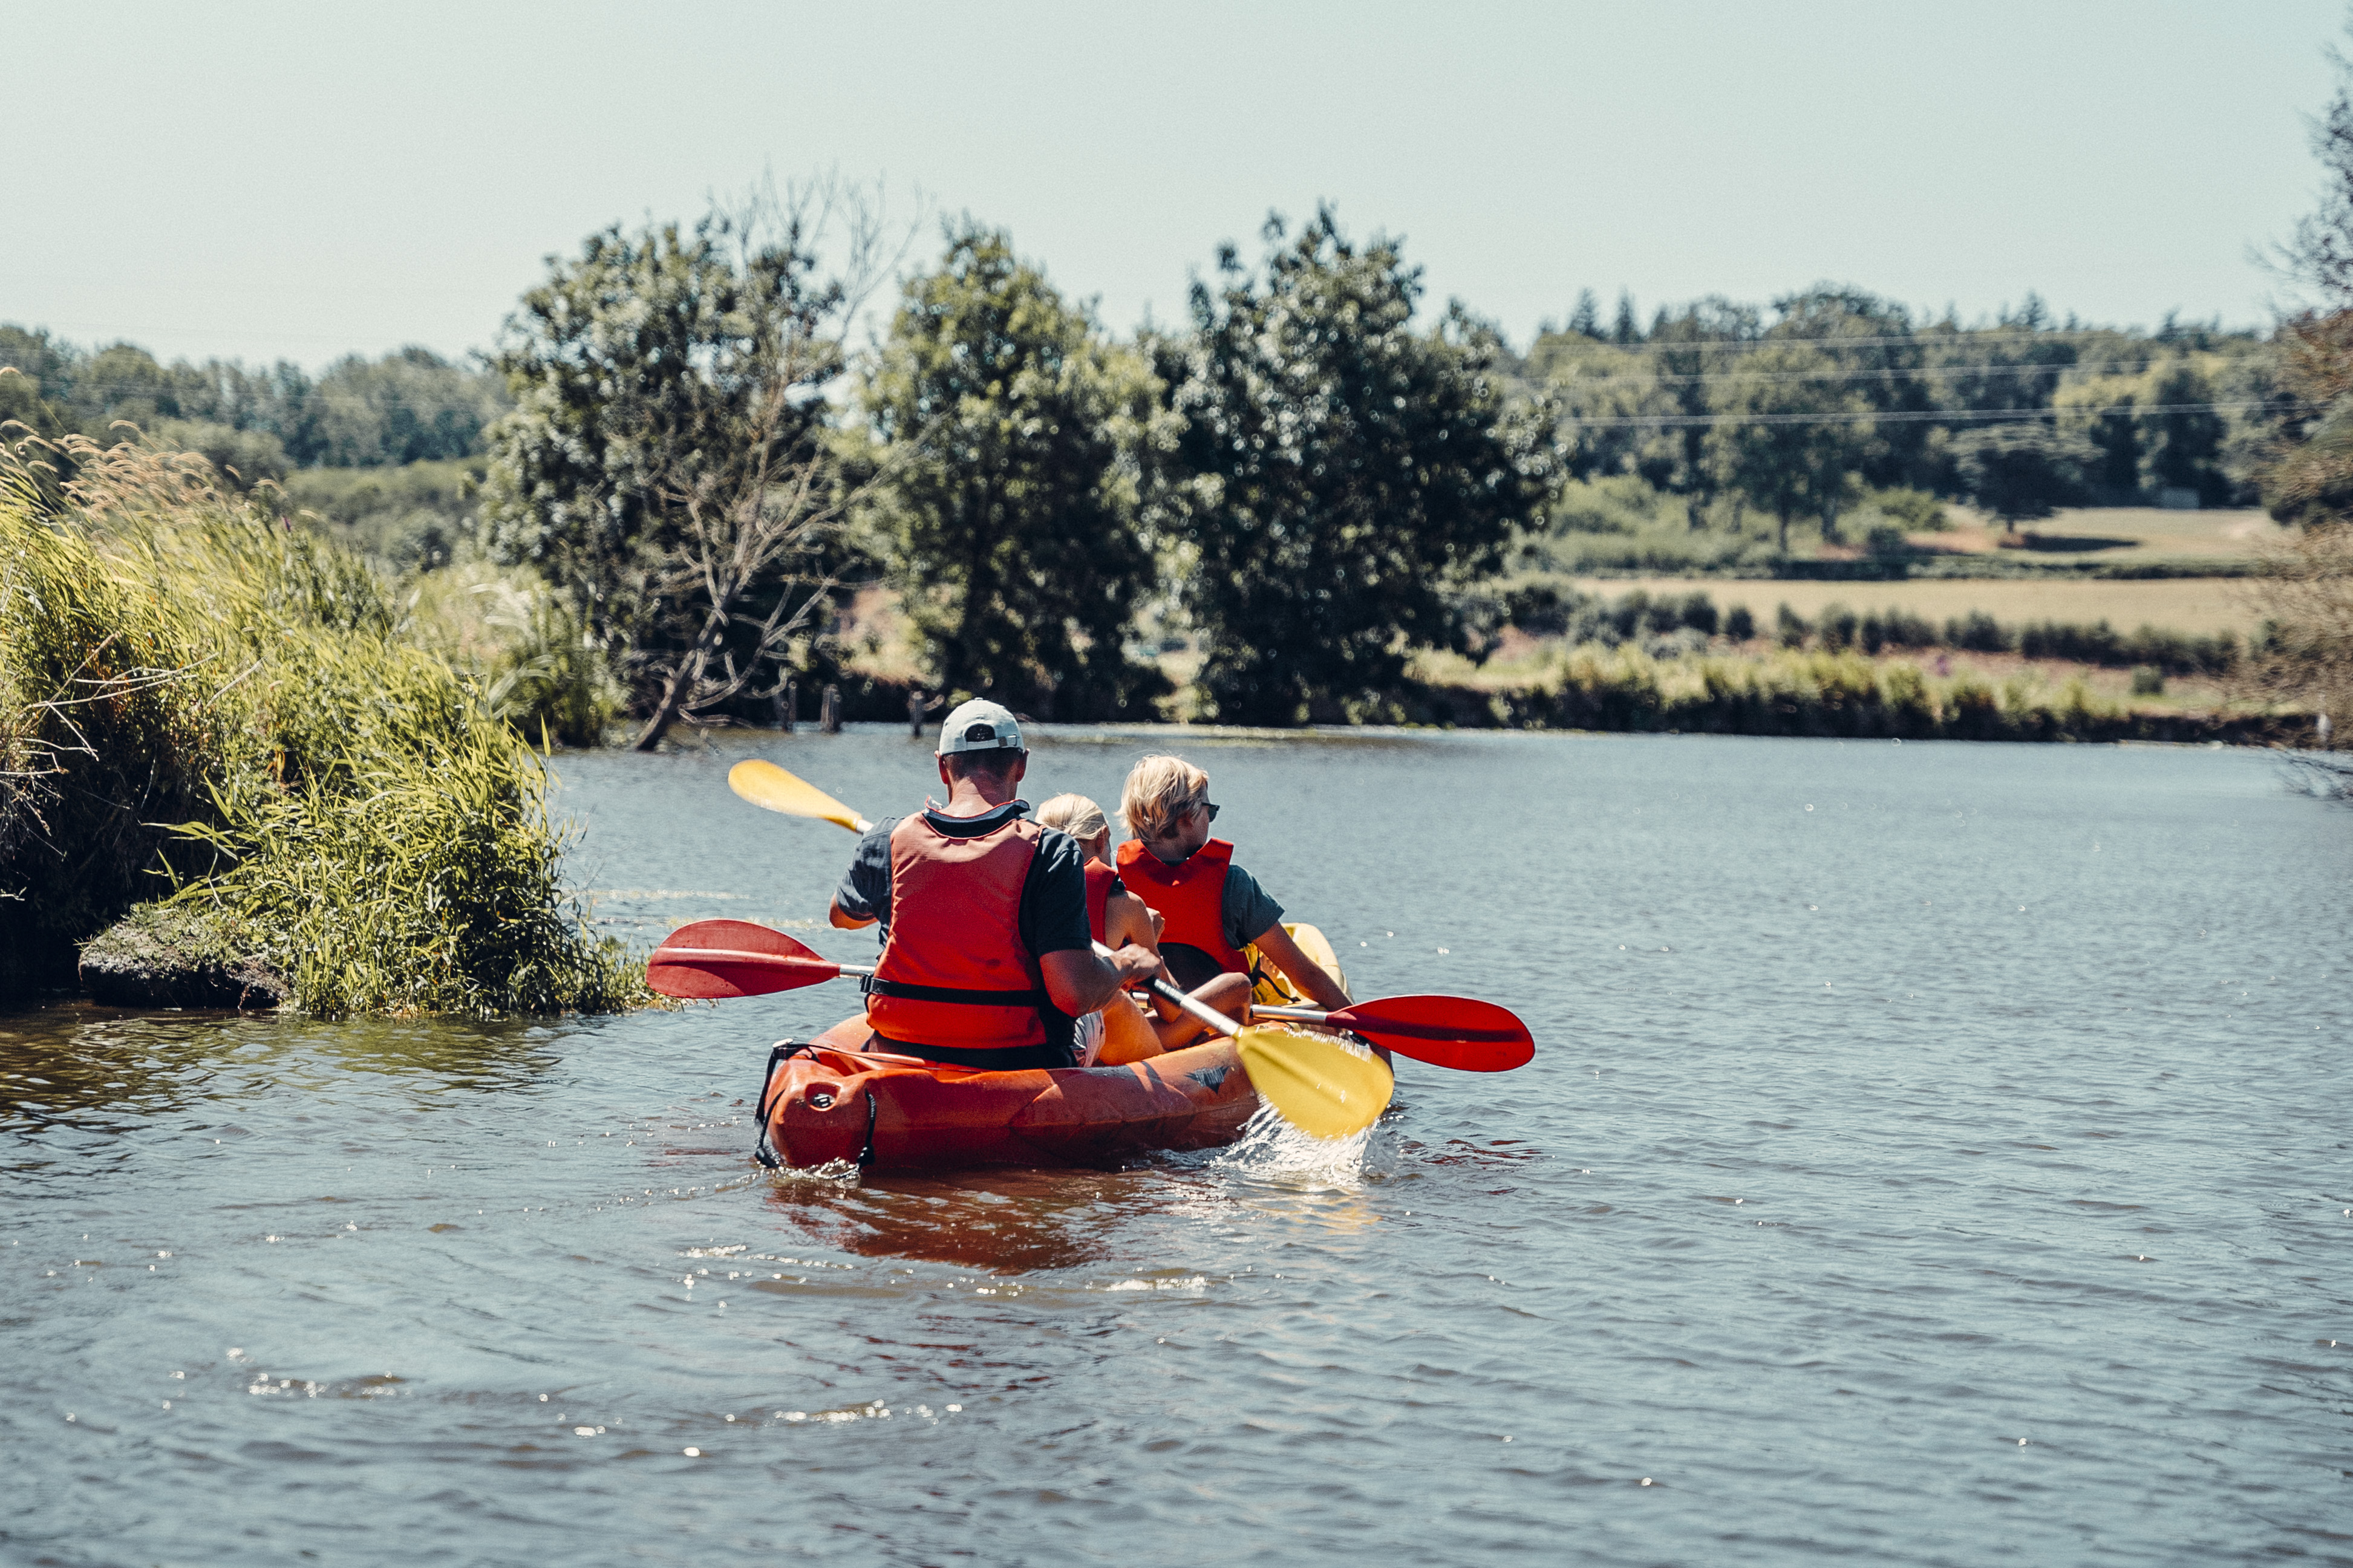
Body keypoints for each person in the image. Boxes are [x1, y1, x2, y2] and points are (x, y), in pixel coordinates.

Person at [826, 700, 1160, 1069]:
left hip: (899, 1053)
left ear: (942, 767)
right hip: (1018, 1062)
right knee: (1110, 999)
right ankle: (1173, 1074)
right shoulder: (1050, 851)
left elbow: (842, 918)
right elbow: (1073, 996)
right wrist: (1126, 963)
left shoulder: (886, 840)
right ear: (1022, 765)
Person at [1115, 754, 1351, 1014]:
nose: (1211, 819)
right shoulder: (1234, 884)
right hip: (1221, 1025)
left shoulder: (1116, 884)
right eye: (1210, 811)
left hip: (1147, 1022)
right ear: (1187, 816)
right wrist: (1363, 1025)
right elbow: (1304, 975)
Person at [1033, 793, 1252, 1061]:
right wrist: (1150, 938)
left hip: (1040, 1028)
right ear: (1102, 838)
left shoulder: (1028, 895)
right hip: (1104, 1036)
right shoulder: (1125, 905)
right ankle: (1223, 1066)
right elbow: (1171, 1011)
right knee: (1237, 985)